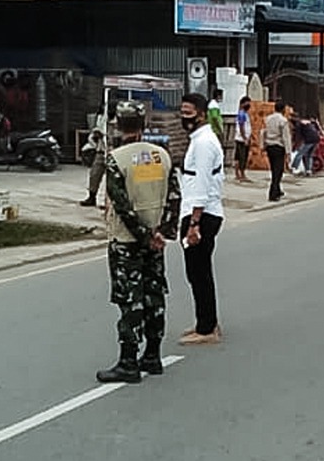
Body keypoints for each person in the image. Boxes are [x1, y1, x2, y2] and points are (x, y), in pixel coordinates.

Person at [95, 101, 182, 384]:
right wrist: (162, 233)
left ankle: (129, 362)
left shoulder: (116, 160)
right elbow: (174, 197)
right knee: (154, 296)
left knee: (130, 301)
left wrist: (143, 236)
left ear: (118, 126)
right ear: (143, 125)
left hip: (126, 242)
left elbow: (121, 205)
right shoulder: (162, 156)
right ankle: (153, 356)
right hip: (155, 241)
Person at [177, 93, 226, 345]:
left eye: (189, 113)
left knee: (198, 272)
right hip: (198, 211)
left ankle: (206, 329)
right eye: (182, 112)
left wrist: (194, 223)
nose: (185, 118)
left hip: (202, 215)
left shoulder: (205, 142)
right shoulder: (199, 139)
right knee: (198, 272)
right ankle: (206, 321)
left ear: (202, 114)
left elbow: (203, 183)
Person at [262, 99, 292, 202]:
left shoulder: (268, 119)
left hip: (270, 146)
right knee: (278, 171)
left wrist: (263, 145)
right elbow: (286, 137)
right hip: (279, 146)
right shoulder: (283, 121)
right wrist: (288, 152)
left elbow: (263, 132)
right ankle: (273, 193)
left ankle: (278, 190)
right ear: (283, 109)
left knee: (274, 169)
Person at [80, 107, 109, 207]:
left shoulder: (118, 121)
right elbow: (94, 134)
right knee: (94, 174)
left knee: (112, 179)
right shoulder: (101, 118)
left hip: (113, 151)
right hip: (101, 150)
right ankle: (92, 196)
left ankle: (108, 202)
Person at [233, 96, 253, 183]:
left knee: (238, 157)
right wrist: (245, 138)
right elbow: (241, 126)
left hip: (240, 138)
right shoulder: (242, 114)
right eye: (247, 103)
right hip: (242, 139)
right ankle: (242, 174)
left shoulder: (244, 113)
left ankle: (237, 173)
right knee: (242, 157)